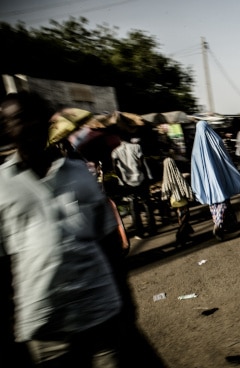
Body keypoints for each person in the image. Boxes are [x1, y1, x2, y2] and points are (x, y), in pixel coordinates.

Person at [0, 91, 123, 367]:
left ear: (48, 122)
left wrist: (124, 301)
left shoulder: (80, 172)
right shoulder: (2, 186)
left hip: (100, 311)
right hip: (45, 323)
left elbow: (109, 241)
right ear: (7, 128)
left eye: (36, 118)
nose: (30, 125)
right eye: (19, 119)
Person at [190, 120, 240, 240]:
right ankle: (219, 226)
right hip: (220, 179)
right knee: (223, 202)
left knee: (214, 205)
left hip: (208, 184)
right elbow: (225, 159)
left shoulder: (196, 150)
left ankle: (227, 226)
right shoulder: (216, 141)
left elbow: (196, 171)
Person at [111, 134, 157, 237]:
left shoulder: (115, 152)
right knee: (147, 203)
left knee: (133, 205)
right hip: (140, 179)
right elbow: (142, 164)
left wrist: (123, 181)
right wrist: (146, 178)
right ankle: (152, 228)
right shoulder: (136, 147)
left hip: (127, 183)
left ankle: (139, 231)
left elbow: (115, 168)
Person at [161, 155, 195, 245]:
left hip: (173, 201)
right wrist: (190, 195)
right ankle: (181, 235)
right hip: (182, 200)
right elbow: (185, 187)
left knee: (180, 216)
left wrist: (165, 198)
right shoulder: (178, 176)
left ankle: (185, 234)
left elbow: (165, 191)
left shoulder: (166, 179)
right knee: (185, 216)